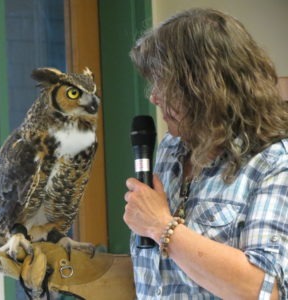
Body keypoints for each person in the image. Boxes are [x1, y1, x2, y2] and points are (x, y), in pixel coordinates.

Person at [123, 8, 288, 299]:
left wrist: (162, 226)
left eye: (164, 82)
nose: (153, 96)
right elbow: (163, 278)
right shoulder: (169, 150)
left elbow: (263, 290)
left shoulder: (274, 162)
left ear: (203, 88)